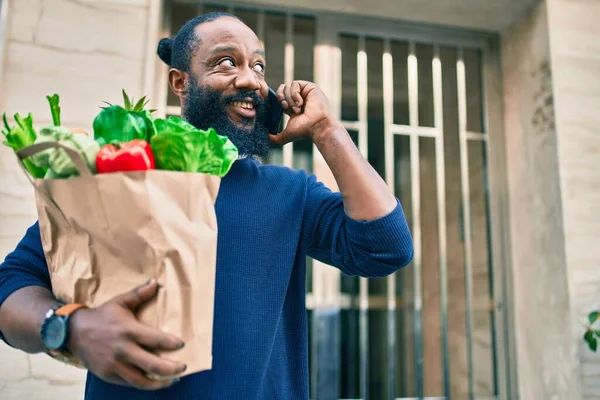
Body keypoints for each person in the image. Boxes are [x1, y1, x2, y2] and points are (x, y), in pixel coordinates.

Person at [0, 12, 413, 400]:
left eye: (258, 66)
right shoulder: (122, 176)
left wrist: (327, 129)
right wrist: (70, 327)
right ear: (180, 83)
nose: (251, 80)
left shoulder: (290, 192)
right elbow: (12, 286)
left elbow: (386, 247)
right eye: (226, 63)